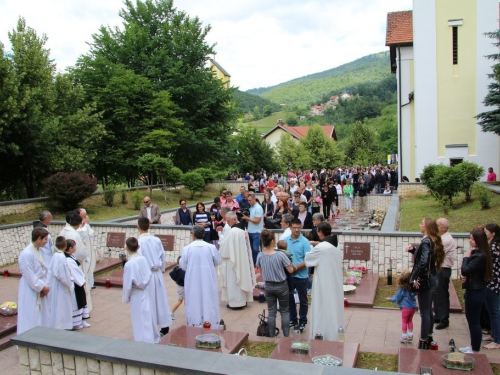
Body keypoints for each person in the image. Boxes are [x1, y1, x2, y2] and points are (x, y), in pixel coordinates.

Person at [405, 217, 445, 350]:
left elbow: (423, 262)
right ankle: (429, 335)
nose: (419, 224)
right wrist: (413, 251)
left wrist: (413, 277)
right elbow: (424, 258)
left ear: (426, 227)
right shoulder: (431, 240)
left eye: (421, 223)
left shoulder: (426, 241)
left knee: (424, 312)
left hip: (426, 280)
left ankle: (423, 341)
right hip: (432, 278)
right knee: (428, 311)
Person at [304, 221, 344, 340]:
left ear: (321, 232)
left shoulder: (321, 248)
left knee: (322, 307)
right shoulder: (337, 245)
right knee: (334, 306)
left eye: (317, 231)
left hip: (323, 282)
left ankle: (322, 333)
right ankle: (334, 333)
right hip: (334, 281)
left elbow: (308, 259)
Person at [180, 225, 221, 327]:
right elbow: (217, 261)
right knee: (208, 299)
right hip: (208, 278)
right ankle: (209, 322)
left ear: (193, 235)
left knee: (194, 299)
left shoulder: (187, 249)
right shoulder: (211, 247)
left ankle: (195, 324)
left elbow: (183, 265)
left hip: (193, 279)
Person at [459, 228, 493, 354]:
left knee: (474, 321)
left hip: (476, 291)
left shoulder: (480, 256)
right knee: (471, 319)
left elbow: (465, 270)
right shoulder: (478, 253)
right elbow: (470, 273)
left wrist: (466, 258)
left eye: (472, 239)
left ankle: (475, 349)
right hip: (473, 288)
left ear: (478, 240)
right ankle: (473, 345)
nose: (470, 241)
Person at [256, 230, 295, 337]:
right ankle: (286, 335)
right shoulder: (280, 255)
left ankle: (271, 336)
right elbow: (291, 270)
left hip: (268, 285)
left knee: (271, 312)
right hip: (281, 285)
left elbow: (260, 272)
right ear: (273, 241)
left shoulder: (260, 255)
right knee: (284, 311)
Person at [137, 217, 172, 336]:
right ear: (149, 226)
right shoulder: (156, 240)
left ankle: (151, 327)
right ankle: (164, 326)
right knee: (160, 300)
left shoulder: (139, 242)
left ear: (138, 227)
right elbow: (163, 256)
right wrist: (161, 269)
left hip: (147, 274)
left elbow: (139, 261)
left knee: (150, 301)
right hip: (157, 273)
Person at [122, 237, 160, 344]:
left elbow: (127, 283)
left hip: (136, 294)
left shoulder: (129, 264)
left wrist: (126, 297)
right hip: (144, 291)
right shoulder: (143, 259)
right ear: (138, 247)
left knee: (139, 318)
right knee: (146, 316)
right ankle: (150, 338)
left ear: (126, 248)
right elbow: (148, 275)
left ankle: (143, 340)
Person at [17, 228, 51, 335]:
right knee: (31, 314)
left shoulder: (38, 250)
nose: (46, 242)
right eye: (45, 239)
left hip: (39, 284)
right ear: (39, 238)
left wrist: (46, 283)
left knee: (41, 314)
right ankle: (28, 337)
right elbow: (29, 275)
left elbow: (44, 267)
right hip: (30, 288)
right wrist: (41, 287)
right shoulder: (27, 254)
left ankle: (41, 336)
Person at [219, 212, 255, 309]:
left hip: (233, 261)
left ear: (234, 220)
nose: (227, 223)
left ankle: (236, 303)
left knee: (234, 281)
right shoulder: (243, 229)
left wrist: (221, 238)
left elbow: (225, 249)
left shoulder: (233, 231)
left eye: (228, 221)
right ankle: (244, 300)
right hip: (243, 260)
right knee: (243, 277)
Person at [59, 212, 92, 312]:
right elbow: (81, 252)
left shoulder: (62, 231)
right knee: (79, 288)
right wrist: (80, 259)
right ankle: (81, 312)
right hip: (74, 264)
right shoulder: (74, 234)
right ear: (78, 224)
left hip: (64, 264)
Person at [286, 218, 311, 333]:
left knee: (303, 300)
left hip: (301, 276)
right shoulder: (286, 241)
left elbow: (307, 260)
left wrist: (295, 268)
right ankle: (293, 320)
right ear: (290, 227)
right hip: (289, 276)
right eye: (294, 227)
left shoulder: (305, 242)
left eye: (298, 227)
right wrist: (289, 270)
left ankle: (303, 321)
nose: (296, 230)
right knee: (290, 299)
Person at [434, 218, 457, 330]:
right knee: (436, 293)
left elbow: (436, 253)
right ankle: (437, 315)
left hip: (443, 269)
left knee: (442, 295)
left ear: (444, 228)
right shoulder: (440, 237)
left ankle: (444, 319)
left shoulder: (447, 239)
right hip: (437, 268)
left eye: (437, 225)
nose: (435, 226)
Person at [64, 239, 90, 330]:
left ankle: (82, 320)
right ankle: (76, 323)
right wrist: (82, 281)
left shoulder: (71, 256)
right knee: (77, 302)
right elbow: (74, 272)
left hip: (78, 283)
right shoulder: (68, 260)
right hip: (76, 284)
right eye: (75, 246)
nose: (76, 248)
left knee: (82, 301)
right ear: (70, 248)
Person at [48, 236, 74, 330]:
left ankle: (56, 324)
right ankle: (62, 325)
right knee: (62, 306)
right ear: (65, 245)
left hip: (55, 284)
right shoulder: (62, 257)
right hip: (62, 286)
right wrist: (69, 283)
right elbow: (62, 274)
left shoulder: (55, 255)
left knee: (56, 304)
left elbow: (51, 270)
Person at [387, 271, 417, 343]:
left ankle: (404, 336)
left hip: (406, 308)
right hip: (413, 307)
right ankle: (410, 335)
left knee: (404, 321)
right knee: (410, 320)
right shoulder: (413, 287)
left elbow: (397, 297)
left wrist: (391, 299)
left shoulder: (402, 288)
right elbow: (416, 293)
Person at [483, 223, 500, 349]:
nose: (484, 233)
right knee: (490, 309)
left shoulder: (493, 247)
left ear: (493, 234)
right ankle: (493, 334)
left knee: (494, 311)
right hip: (490, 281)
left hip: (493, 282)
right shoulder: (491, 245)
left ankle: (497, 341)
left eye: (486, 231)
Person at [76, 208, 97, 290]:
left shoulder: (84, 225)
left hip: (88, 249)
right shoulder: (78, 226)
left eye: (85, 216)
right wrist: (86, 224)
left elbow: (91, 235)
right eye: (83, 216)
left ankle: (90, 284)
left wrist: (86, 225)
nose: (85, 218)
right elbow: (81, 233)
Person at [241, 192, 264, 265]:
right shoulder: (251, 208)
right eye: (248, 200)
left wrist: (247, 218)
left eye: (250, 200)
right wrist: (246, 218)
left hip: (257, 232)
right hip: (250, 231)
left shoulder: (258, 208)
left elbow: (257, 221)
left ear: (254, 199)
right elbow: (251, 219)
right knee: (252, 249)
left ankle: (258, 264)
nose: (249, 202)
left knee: (255, 249)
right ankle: (254, 263)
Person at [169, 256, 186, 320]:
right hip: (183, 287)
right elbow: (186, 280)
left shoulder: (177, 269)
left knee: (181, 300)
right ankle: (171, 313)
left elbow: (171, 274)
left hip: (179, 286)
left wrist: (176, 281)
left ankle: (171, 312)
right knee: (180, 301)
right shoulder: (182, 271)